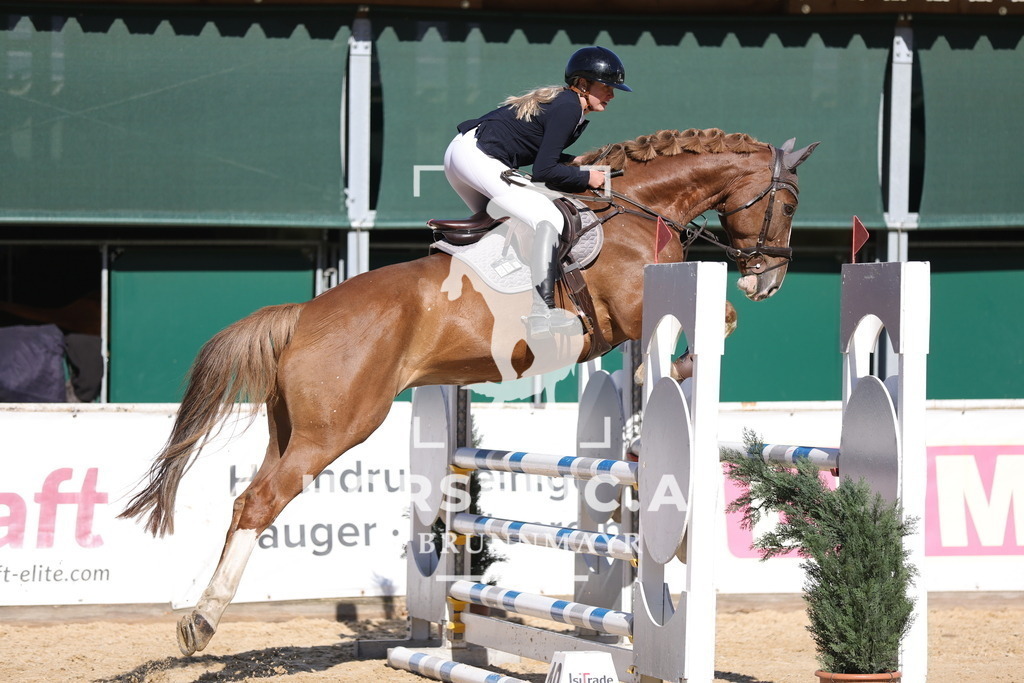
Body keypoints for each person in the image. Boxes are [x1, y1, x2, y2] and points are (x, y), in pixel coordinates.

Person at [443, 46, 631, 338]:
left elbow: (543, 155)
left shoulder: (565, 102)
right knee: (548, 220)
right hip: (478, 156)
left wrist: (575, 162)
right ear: (583, 84)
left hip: (463, 154)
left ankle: (495, 294)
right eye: (606, 87)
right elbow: (544, 171)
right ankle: (541, 312)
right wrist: (586, 178)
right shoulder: (569, 105)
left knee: (505, 223)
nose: (612, 94)